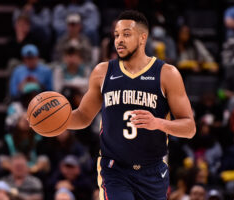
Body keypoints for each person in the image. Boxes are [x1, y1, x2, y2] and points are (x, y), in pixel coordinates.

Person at [67, 10, 196, 200]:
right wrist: (54, 123)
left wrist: (158, 123)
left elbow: (189, 128)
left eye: (126, 34)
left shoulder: (167, 74)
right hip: (114, 170)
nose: (119, 40)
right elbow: (83, 117)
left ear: (143, 38)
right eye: (117, 35)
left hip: (153, 171)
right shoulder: (103, 72)